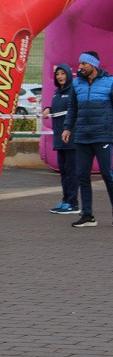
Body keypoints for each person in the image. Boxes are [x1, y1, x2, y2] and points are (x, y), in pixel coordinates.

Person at [62, 51, 113, 228]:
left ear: (93, 65)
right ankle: (87, 215)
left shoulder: (110, 82)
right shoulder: (77, 84)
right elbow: (72, 108)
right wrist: (68, 127)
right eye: (79, 63)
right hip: (83, 136)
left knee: (107, 175)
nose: (80, 67)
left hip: (102, 135)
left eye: (83, 63)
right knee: (82, 176)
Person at [43, 64, 79, 214]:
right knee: (63, 171)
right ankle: (65, 200)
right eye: (58, 74)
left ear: (69, 75)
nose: (60, 76)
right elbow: (57, 110)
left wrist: (69, 130)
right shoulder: (56, 93)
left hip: (71, 139)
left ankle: (73, 202)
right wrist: (48, 108)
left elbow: (74, 111)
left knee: (72, 171)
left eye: (63, 73)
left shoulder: (73, 91)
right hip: (59, 138)